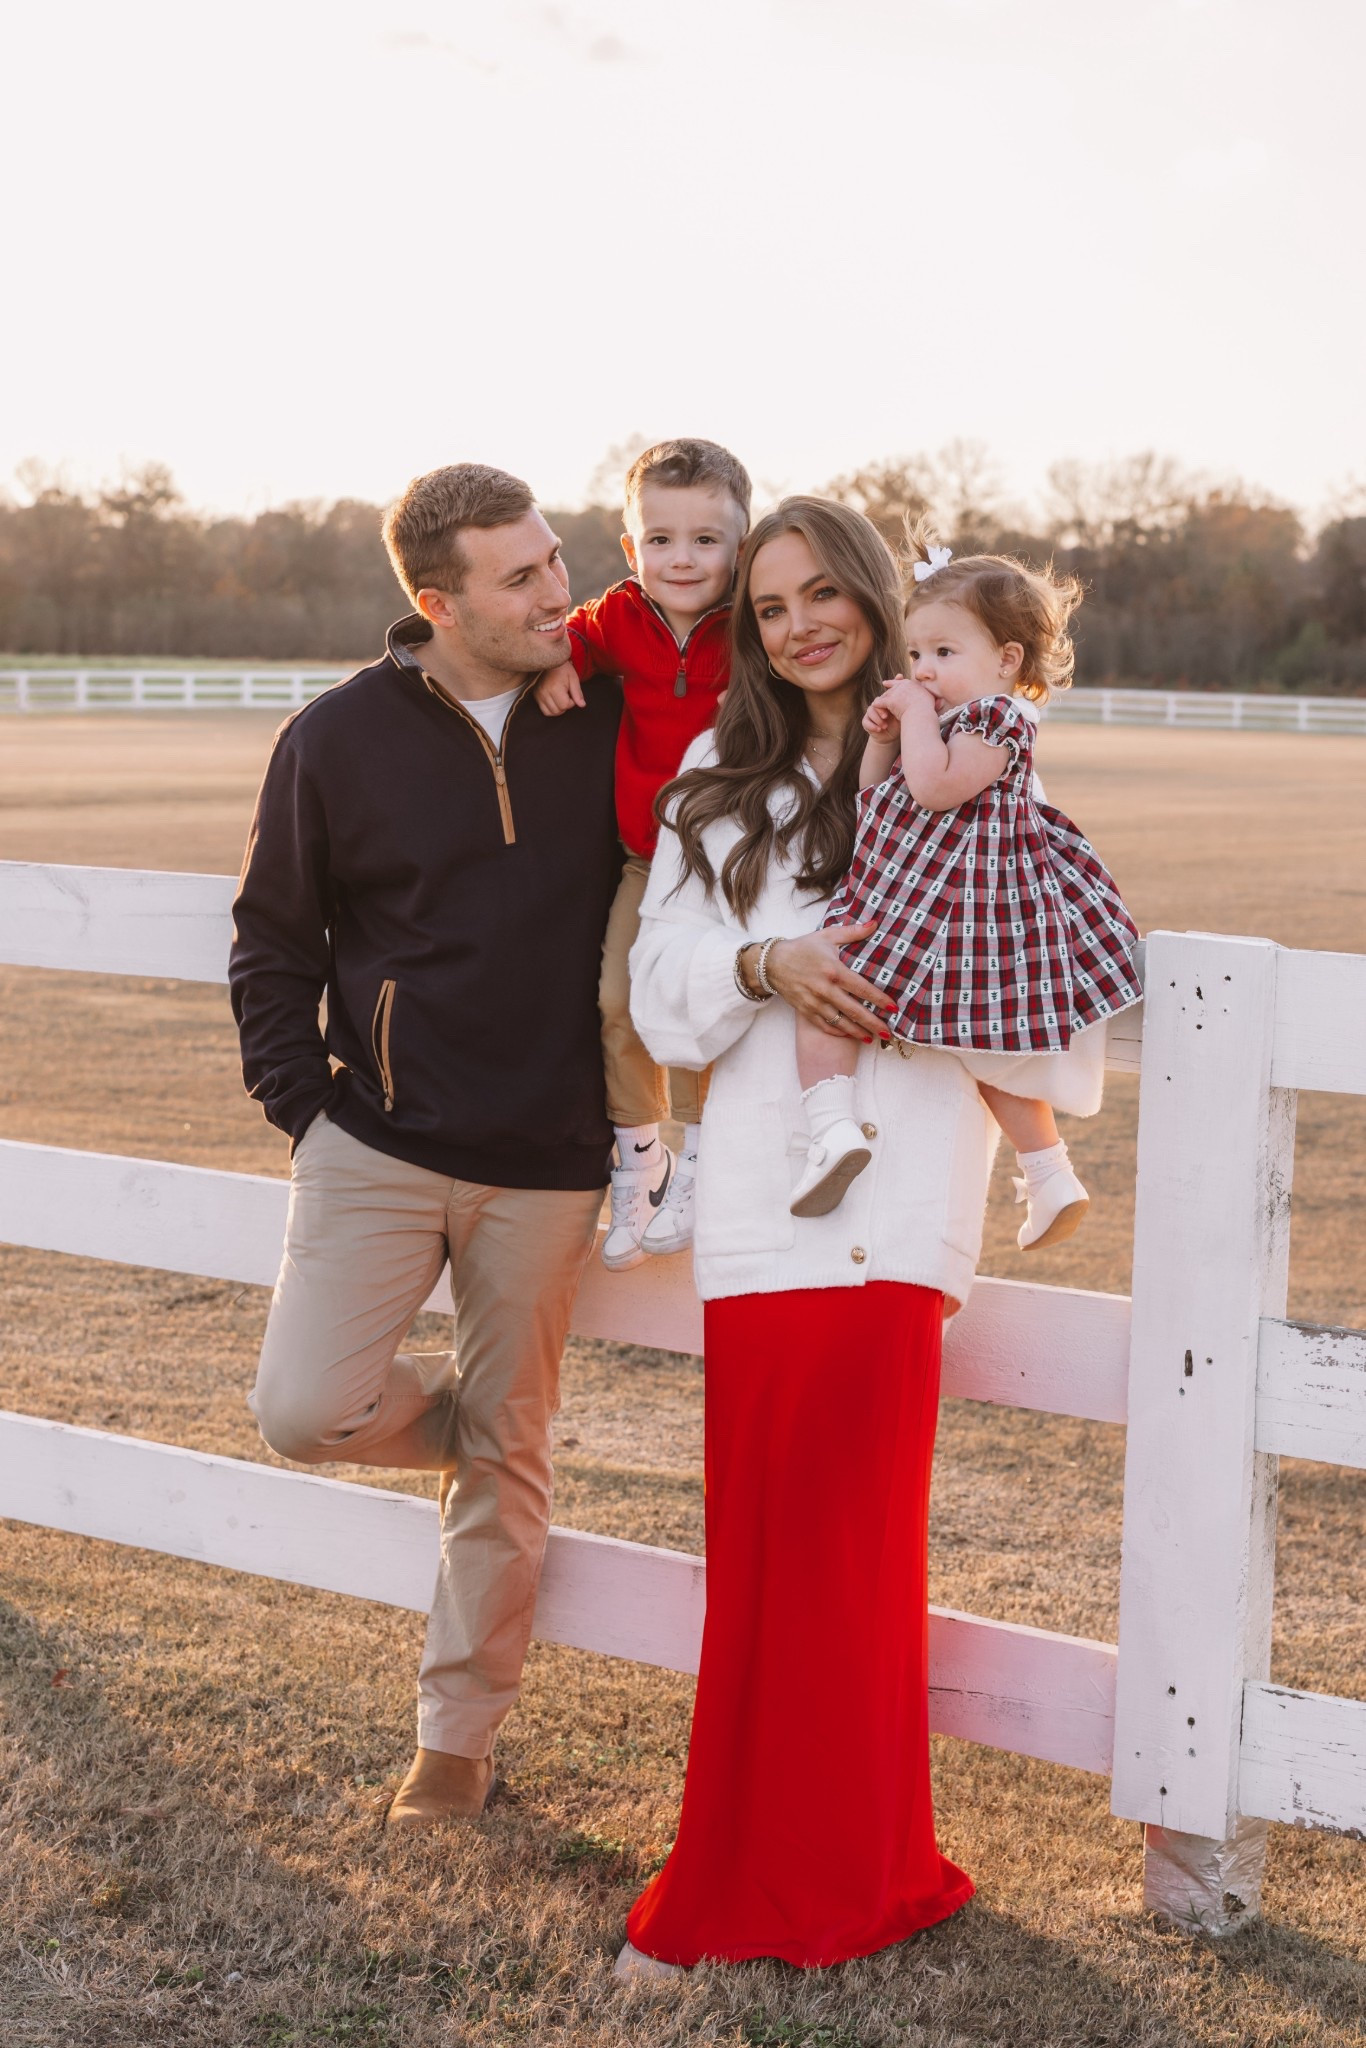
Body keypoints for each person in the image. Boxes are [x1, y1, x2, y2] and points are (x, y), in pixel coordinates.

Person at [613, 496, 994, 1979]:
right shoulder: (723, 773)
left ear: (876, 597)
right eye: (771, 606)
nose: (800, 624)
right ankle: (738, 1876)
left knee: (856, 1545)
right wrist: (767, 959)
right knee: (766, 1545)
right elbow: (658, 991)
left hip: (900, 1201)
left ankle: (862, 1869)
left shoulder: (961, 744)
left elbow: (1032, 925)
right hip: (773, 1200)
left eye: (825, 593)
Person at [228, 463, 621, 1829]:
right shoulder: (337, 737)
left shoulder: (606, 711)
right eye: (520, 578)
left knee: (511, 1454)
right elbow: (274, 940)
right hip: (379, 1139)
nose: (556, 591)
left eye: (558, 559)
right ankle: (490, 1446)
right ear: (435, 601)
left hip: (554, 1158)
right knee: (307, 1410)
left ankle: (454, 1750)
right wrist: (307, 1107)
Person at [790, 523, 1143, 1249]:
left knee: (914, 1028)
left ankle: (1043, 1173)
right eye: (915, 654)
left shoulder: (998, 717)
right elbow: (873, 792)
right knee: (875, 1015)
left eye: (944, 653)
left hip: (954, 908)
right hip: (914, 893)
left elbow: (937, 788)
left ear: (1007, 659)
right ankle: (838, 1134)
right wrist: (886, 735)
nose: (923, 670)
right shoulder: (948, 714)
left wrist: (916, 720)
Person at [534, 438, 750, 1268]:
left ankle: (702, 1158)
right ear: (632, 549)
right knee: (618, 1003)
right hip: (645, 861)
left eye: (706, 539)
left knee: (704, 1008)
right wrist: (564, 662)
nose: (682, 558)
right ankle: (643, 1159)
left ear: (741, 543)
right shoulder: (622, 617)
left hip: (732, 866)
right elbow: (573, 638)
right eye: (660, 539)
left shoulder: (758, 628)